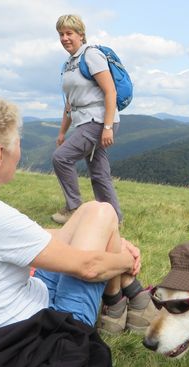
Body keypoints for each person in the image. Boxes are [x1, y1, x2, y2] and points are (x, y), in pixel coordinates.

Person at [0, 96, 156, 336]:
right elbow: (89, 268)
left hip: (15, 315)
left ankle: (117, 301)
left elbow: (37, 237)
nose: (20, 149)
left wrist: (114, 242)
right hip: (50, 331)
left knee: (90, 211)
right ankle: (123, 299)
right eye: (17, 142)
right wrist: (125, 260)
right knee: (104, 212)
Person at [51, 14, 122, 225]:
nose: (64, 38)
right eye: (61, 34)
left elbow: (110, 92)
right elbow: (69, 104)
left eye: (69, 33)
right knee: (99, 173)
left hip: (99, 121)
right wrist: (62, 131)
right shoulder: (69, 63)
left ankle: (73, 209)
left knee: (61, 158)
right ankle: (113, 218)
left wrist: (108, 126)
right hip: (85, 121)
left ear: (81, 34)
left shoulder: (91, 56)